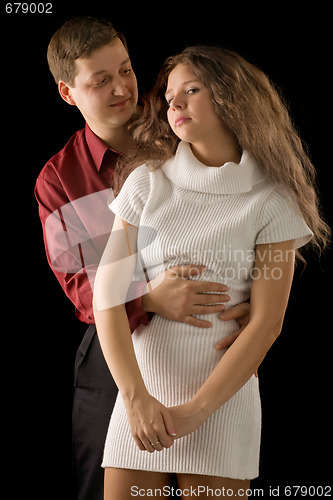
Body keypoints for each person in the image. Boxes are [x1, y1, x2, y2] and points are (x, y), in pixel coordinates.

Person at [93, 45, 330, 499]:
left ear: (231, 98)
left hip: (221, 403)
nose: (173, 103)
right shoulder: (146, 180)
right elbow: (107, 293)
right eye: (169, 96)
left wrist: (196, 411)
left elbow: (266, 323)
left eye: (192, 90)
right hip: (140, 398)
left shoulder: (272, 199)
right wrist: (136, 398)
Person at [34, 18, 250, 500]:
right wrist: (151, 299)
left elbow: (248, 214)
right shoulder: (59, 180)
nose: (121, 88)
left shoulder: (184, 127)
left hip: (205, 340)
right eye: (101, 80)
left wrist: (255, 302)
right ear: (69, 93)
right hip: (117, 356)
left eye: (126, 71)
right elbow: (83, 288)